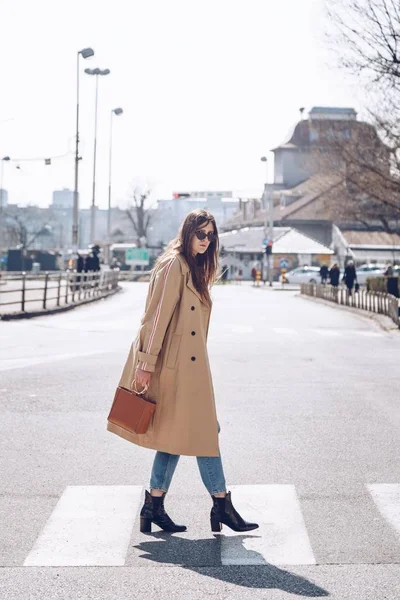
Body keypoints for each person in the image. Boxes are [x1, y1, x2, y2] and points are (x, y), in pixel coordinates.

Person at [116, 210, 259, 534]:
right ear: (187, 233)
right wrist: (145, 365)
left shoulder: (193, 268)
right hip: (172, 370)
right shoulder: (173, 265)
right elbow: (154, 319)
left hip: (189, 370)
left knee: (175, 436)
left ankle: (153, 505)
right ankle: (221, 504)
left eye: (211, 236)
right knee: (203, 431)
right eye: (201, 234)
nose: (206, 241)